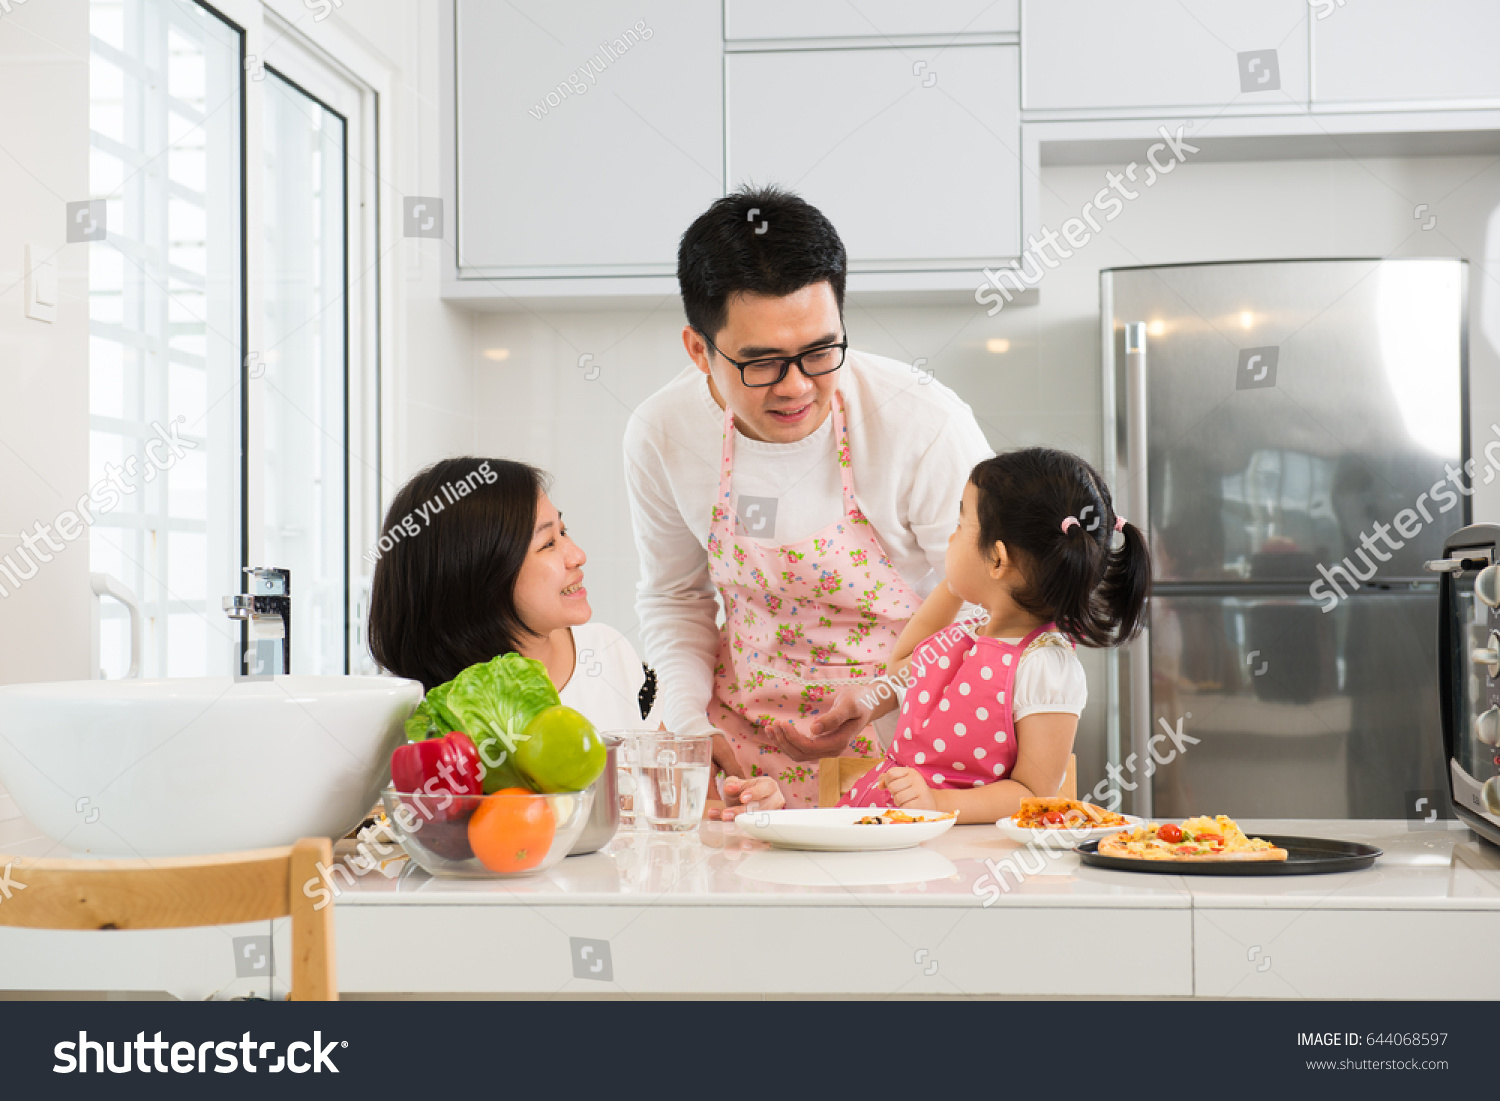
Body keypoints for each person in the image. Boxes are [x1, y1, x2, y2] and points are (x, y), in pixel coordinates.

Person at [624, 185, 993, 809]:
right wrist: (686, 724)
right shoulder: (662, 432)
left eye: (820, 351)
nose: (796, 387)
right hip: (741, 763)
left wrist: (883, 694)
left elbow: (993, 606)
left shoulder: (921, 422)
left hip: (908, 759)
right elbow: (675, 597)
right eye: (760, 362)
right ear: (698, 350)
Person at [720, 448, 1151, 824]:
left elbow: (1033, 794)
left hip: (960, 850)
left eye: (961, 525)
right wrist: (865, 702)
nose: (950, 536)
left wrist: (937, 803)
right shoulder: (967, 634)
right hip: (893, 825)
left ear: (997, 560)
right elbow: (902, 668)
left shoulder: (1044, 666)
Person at [367, 457, 651, 733]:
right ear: (477, 576)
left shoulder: (608, 651)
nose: (578, 555)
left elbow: (665, 772)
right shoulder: (416, 717)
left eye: (563, 531)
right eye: (548, 543)